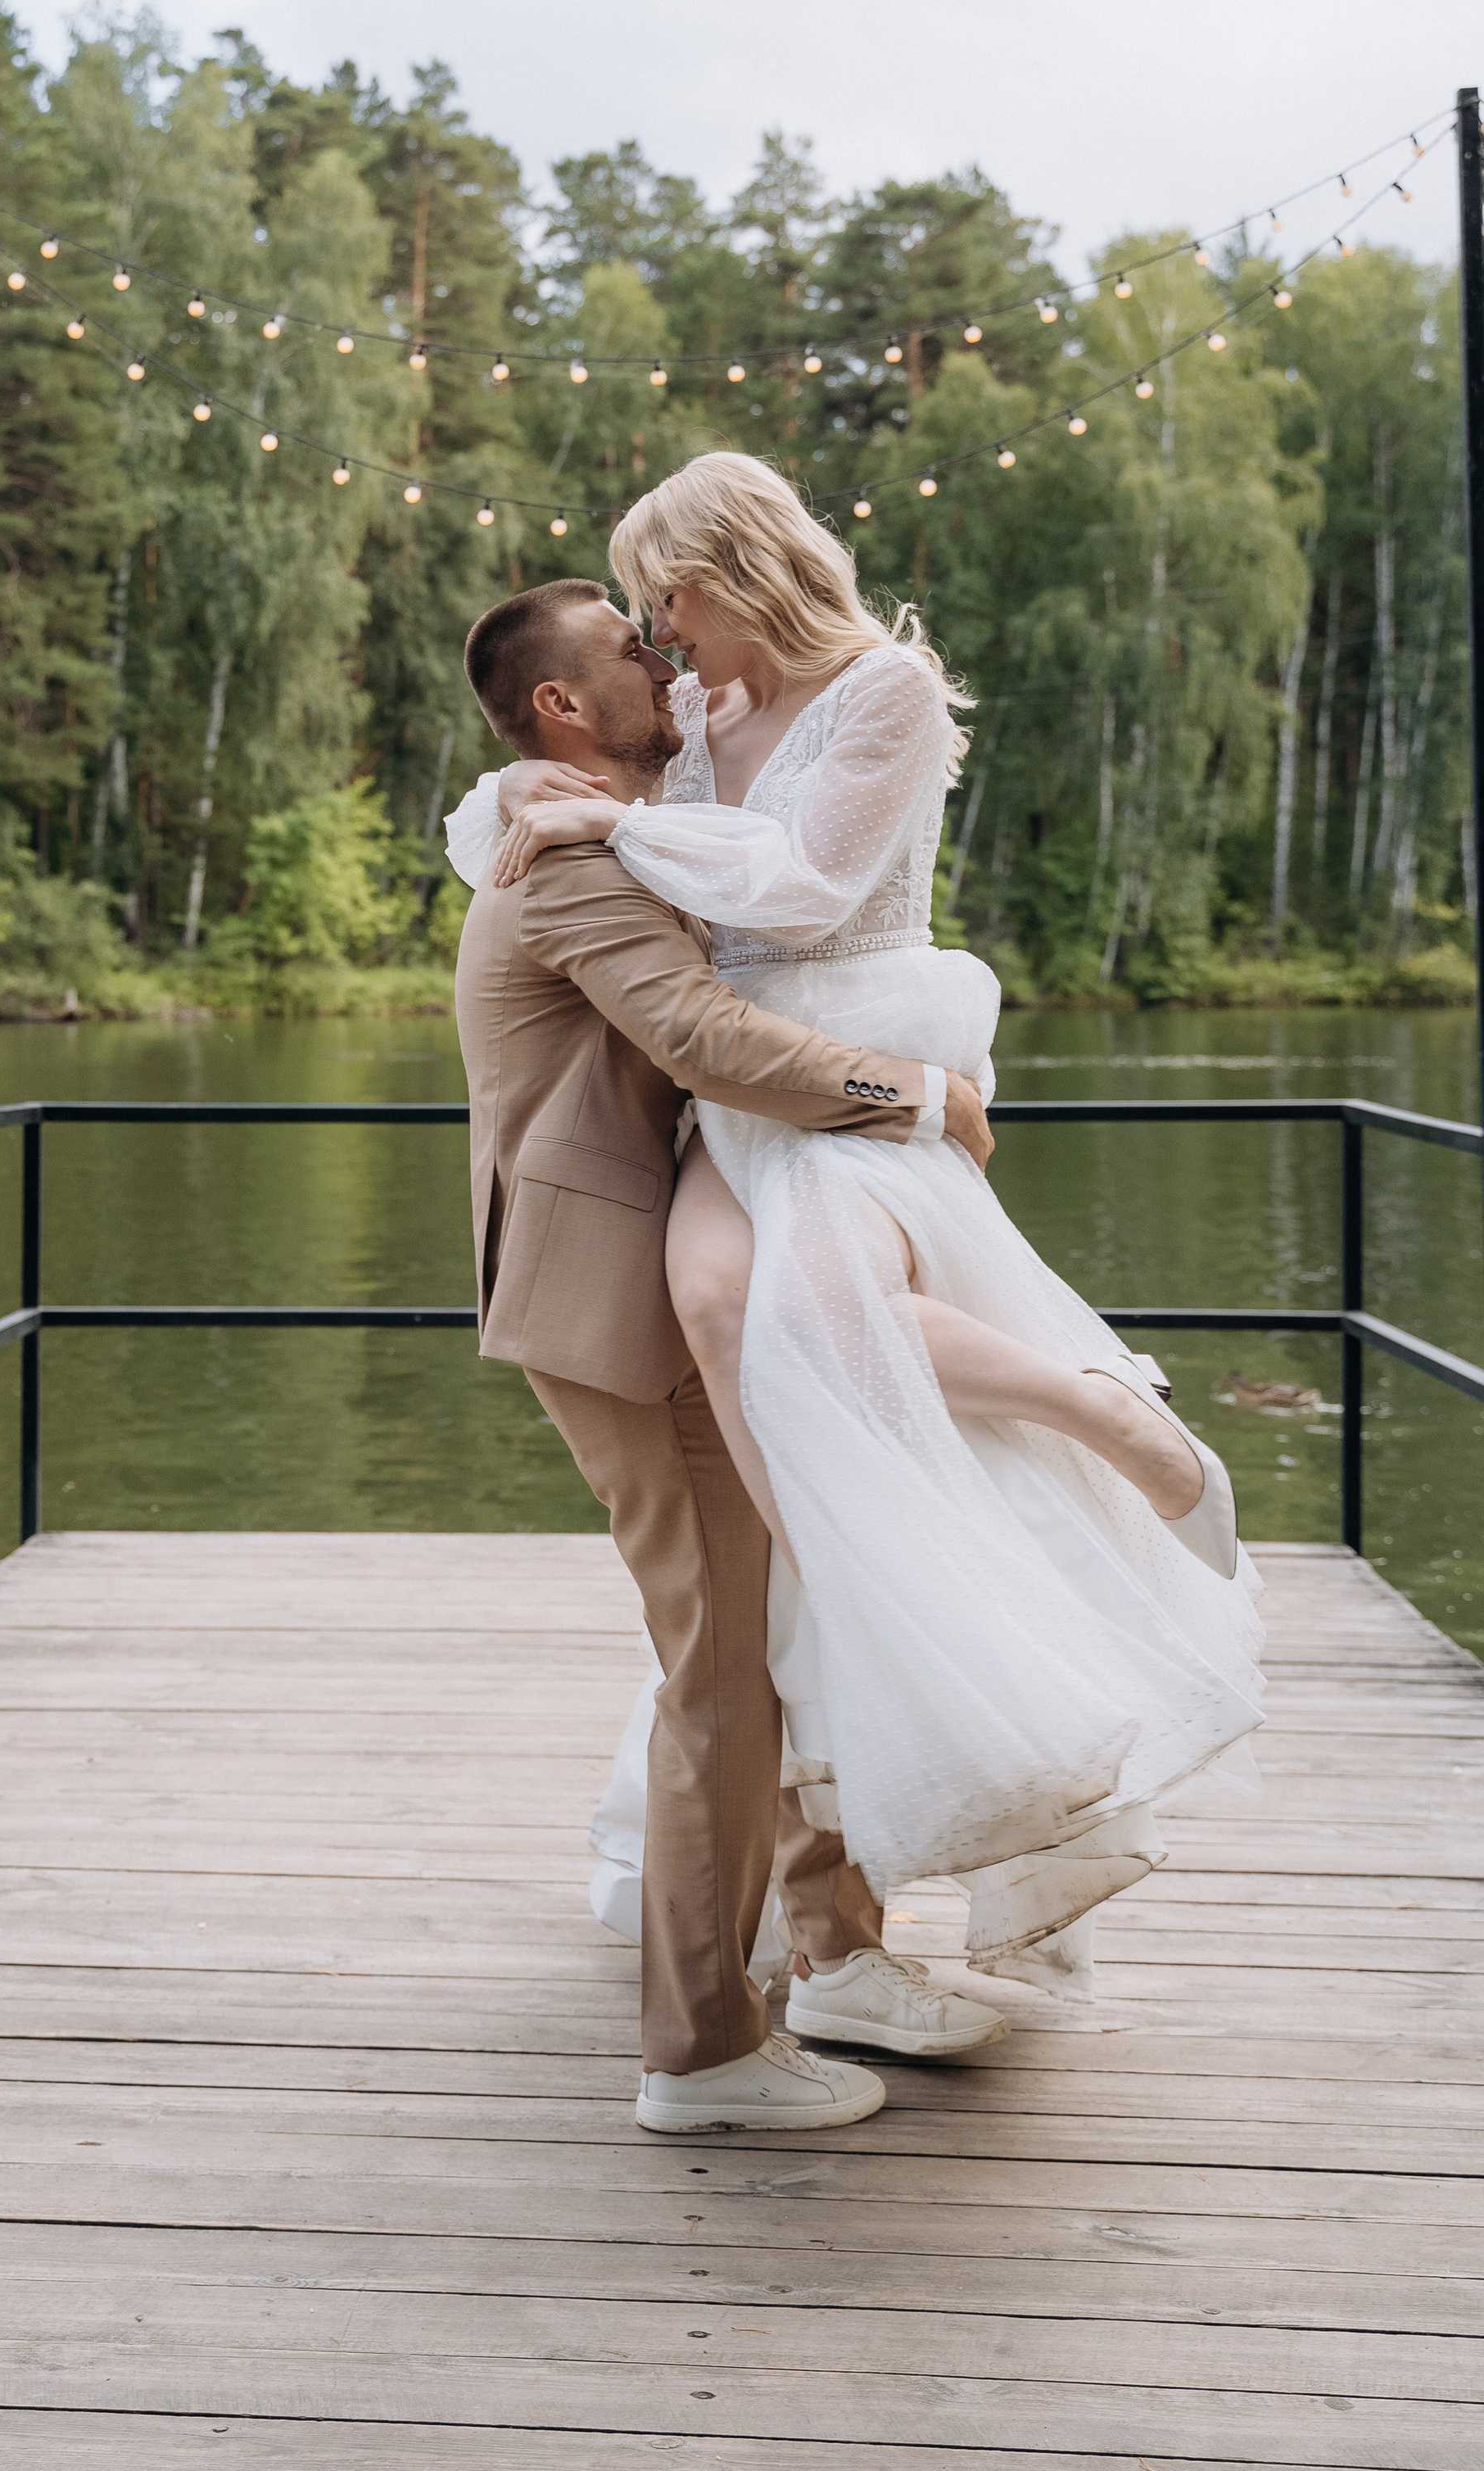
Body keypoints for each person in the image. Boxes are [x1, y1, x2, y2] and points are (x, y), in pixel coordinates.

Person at [449, 459, 1264, 2003]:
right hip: (740, 1098)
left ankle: (1110, 1417)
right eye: (641, 624)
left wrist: (603, 830)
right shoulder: (690, 722)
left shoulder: (880, 688)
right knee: (715, 1305)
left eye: (667, 600)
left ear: (739, 568)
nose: (660, 635)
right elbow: (537, 799)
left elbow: (809, 887)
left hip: (846, 1059)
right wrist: (536, 795)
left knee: (826, 1326)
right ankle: (824, 1695)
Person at [451, 574, 1005, 2136]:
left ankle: (834, 1951)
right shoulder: (556, 862)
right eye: (631, 648)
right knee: (720, 1670)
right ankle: (701, 2051)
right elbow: (702, 1037)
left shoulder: (610, 816)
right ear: (562, 705)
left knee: (782, 1627)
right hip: (621, 1300)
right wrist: (919, 1094)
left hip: (695, 1280)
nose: (663, 653)